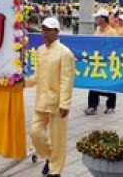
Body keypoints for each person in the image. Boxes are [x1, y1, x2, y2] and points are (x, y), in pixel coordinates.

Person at [25, 17, 75, 177]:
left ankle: (55, 171)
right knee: (35, 133)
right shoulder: (40, 50)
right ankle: (49, 157)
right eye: (43, 29)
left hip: (57, 103)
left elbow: (67, 80)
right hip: (41, 100)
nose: (44, 33)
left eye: (47, 30)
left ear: (56, 31)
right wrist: (23, 82)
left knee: (57, 139)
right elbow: (38, 76)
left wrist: (65, 104)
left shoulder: (65, 53)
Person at [84, 9, 117, 115]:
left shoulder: (112, 32)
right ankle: (92, 106)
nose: (96, 19)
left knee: (109, 84)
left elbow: (114, 48)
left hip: (107, 62)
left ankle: (111, 106)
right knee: (94, 82)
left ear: (103, 18)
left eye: (97, 17)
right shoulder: (97, 29)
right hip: (97, 60)